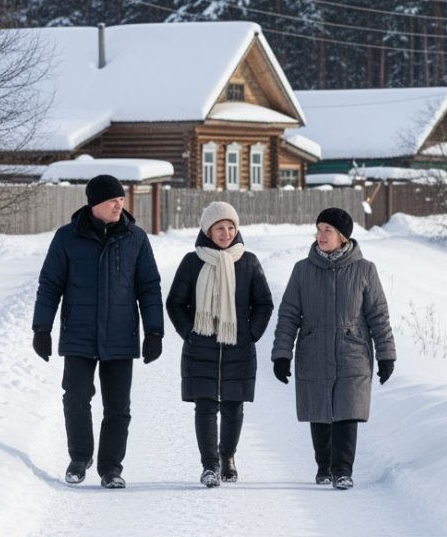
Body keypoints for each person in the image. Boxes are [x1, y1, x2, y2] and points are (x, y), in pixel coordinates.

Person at [32, 174, 164, 489]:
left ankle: (110, 468)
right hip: (78, 332)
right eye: (112, 200)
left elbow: (149, 288)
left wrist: (154, 332)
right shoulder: (67, 237)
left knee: (117, 406)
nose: (119, 205)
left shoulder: (135, 238)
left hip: (120, 334)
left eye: (121, 199)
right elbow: (50, 285)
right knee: (75, 397)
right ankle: (79, 458)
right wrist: (42, 328)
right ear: (94, 204)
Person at [271, 208, 396, 490]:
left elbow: (378, 316)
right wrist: (282, 353)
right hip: (314, 348)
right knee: (319, 410)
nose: (321, 235)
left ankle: (343, 470)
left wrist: (386, 355)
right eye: (319, 229)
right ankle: (324, 466)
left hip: (353, 350)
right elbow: (288, 315)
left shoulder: (365, 270)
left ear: (342, 236)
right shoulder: (302, 269)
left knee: (347, 411)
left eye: (328, 230)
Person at [165, 202, 275, 488]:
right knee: (204, 407)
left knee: (232, 408)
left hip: (238, 347)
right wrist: (189, 332)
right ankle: (210, 465)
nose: (226, 233)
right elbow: (175, 302)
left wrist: (251, 333)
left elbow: (264, 303)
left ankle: (227, 457)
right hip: (200, 347)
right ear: (208, 231)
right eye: (219, 228)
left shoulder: (248, 262)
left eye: (230, 227)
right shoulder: (192, 262)